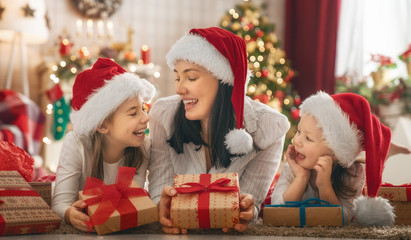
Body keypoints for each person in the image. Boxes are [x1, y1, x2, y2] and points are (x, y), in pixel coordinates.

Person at [148, 27, 290, 234]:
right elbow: (160, 185)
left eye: (192, 77)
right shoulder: (163, 115)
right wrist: (161, 206)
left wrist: (247, 209)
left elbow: (251, 199)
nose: (179, 89)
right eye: (178, 78)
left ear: (225, 81)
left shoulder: (270, 127)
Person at [52, 58, 156, 232]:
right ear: (102, 125)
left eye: (143, 109)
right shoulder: (76, 143)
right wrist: (70, 214)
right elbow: (60, 203)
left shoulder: (143, 146)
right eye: (133, 113)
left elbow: (132, 202)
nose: (146, 118)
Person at [271, 91, 395, 226]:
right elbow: (277, 209)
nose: (296, 141)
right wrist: (302, 177)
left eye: (308, 138)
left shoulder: (353, 173)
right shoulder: (293, 167)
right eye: (299, 131)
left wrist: (324, 185)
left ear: (336, 152)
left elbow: (344, 218)